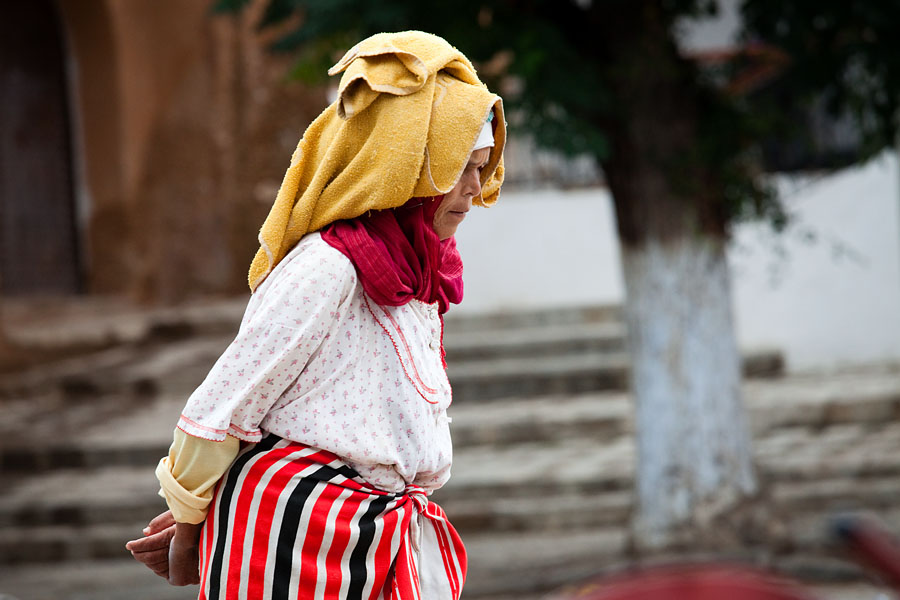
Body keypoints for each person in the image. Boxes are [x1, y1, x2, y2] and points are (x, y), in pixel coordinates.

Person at [125, 30, 505, 600]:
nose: (475, 189)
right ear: (401, 167)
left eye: (481, 167)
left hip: (378, 541)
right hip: (294, 538)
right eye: (459, 168)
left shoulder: (417, 272)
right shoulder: (328, 268)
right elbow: (222, 407)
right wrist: (187, 523)